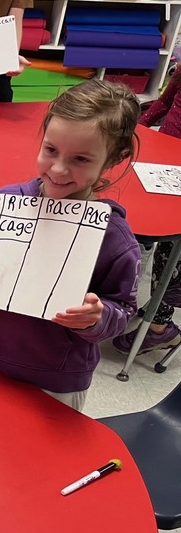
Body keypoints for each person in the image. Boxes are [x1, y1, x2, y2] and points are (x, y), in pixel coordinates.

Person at [0, 79, 143, 411]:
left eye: (81, 159)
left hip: (55, 383)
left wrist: (97, 317)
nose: (58, 169)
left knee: (38, 462)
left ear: (113, 159)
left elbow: (123, 311)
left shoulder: (114, 239)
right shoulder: (6, 201)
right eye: (51, 150)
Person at [112, 68, 181, 356]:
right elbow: (164, 103)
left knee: (172, 252)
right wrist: (136, 133)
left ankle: (160, 327)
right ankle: (154, 309)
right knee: (153, 233)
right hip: (163, 160)